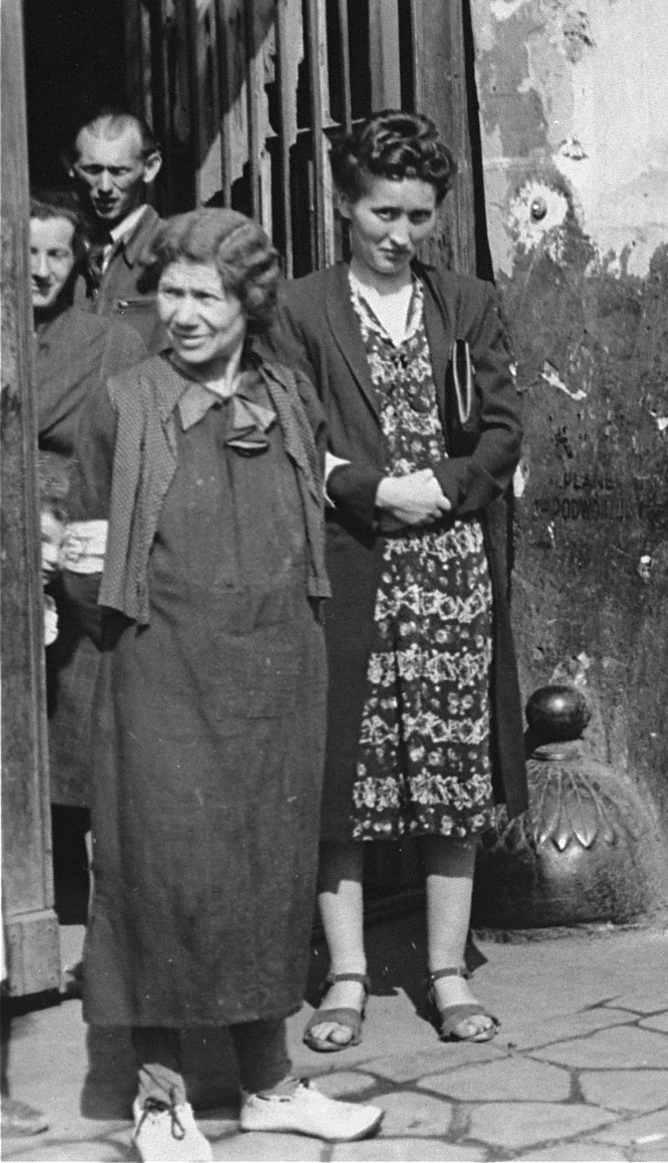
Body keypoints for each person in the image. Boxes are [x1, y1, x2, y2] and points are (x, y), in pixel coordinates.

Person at [60, 208, 384, 1161]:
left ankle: (270, 1083)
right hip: (162, 673)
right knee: (162, 875)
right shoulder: (124, 400)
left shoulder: (289, 393)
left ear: (249, 302)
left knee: (265, 873)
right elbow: (83, 558)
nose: (186, 312)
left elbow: (311, 527)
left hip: (276, 673)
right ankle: (159, 1099)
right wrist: (129, 625)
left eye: (208, 294)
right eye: (172, 292)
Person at [269, 109, 525, 1052]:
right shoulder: (301, 311)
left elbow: (502, 426)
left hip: (451, 565)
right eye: (383, 212)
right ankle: (345, 976)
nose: (400, 235)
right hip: (355, 563)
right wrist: (377, 489)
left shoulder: (466, 302)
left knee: (451, 779)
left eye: (419, 217)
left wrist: (442, 491)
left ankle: (447, 970)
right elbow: (298, 438)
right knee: (350, 776)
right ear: (345, 203)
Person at [29, 192, 146, 924]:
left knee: (83, 723)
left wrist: (70, 525)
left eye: (57, 253)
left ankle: (102, 914)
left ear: (80, 261)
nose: (41, 269)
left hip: (70, 552)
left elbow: (133, 454)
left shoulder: (109, 341)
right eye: (26, 251)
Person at [67, 110, 165, 346]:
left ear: (150, 167)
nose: (105, 186)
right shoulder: (60, 251)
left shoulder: (172, 250)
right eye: (92, 170)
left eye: (119, 171)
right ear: (71, 166)